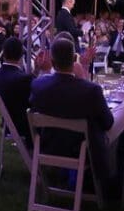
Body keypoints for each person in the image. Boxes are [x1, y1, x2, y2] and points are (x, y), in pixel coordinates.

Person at [30, 38, 114, 201]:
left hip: (48, 146)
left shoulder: (38, 85)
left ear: (53, 62)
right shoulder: (90, 90)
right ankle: (108, 184)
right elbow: (108, 123)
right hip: (82, 151)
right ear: (73, 59)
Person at [0, 37, 34, 149]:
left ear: (4, 53)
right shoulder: (23, 79)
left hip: (7, 124)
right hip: (24, 126)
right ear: (21, 55)